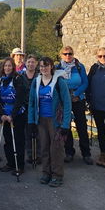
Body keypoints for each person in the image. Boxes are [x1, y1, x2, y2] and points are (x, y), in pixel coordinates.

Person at [28, 57, 72, 188]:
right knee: (44, 147)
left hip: (55, 120)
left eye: (46, 66)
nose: (43, 69)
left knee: (56, 149)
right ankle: (46, 173)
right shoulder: (36, 82)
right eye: (41, 66)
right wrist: (31, 121)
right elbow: (32, 103)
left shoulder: (59, 82)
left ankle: (57, 175)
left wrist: (65, 124)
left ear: (52, 67)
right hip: (41, 120)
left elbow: (67, 103)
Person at [56, 46, 93, 165]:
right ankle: (69, 152)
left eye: (70, 53)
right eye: (65, 54)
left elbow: (85, 83)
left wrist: (76, 94)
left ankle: (86, 153)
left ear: (73, 54)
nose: (68, 56)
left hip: (77, 99)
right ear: (61, 55)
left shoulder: (79, 66)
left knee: (81, 127)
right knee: (66, 126)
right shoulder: (58, 67)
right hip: (64, 100)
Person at [0, 57, 26, 176]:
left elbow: (20, 99)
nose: (7, 68)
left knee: (18, 141)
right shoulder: (0, 80)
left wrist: (12, 115)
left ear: (13, 67)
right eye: (5, 66)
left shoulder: (18, 79)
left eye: (9, 66)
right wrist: (2, 114)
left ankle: (20, 165)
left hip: (17, 115)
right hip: (5, 115)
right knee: (8, 140)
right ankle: (10, 163)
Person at [21, 54, 39, 164]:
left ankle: (39, 154)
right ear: (25, 63)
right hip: (25, 107)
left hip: (37, 107)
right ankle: (29, 154)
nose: (30, 64)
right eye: (28, 62)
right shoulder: (20, 76)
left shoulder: (40, 76)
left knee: (38, 132)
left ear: (36, 64)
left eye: (33, 62)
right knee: (27, 132)